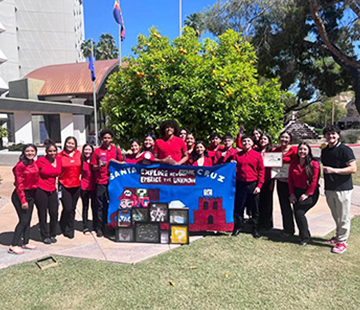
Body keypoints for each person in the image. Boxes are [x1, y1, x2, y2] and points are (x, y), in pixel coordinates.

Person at [321, 125, 356, 254]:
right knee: (336, 215)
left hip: (343, 188)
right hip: (329, 188)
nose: (331, 136)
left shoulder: (345, 150)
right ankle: (338, 236)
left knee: (343, 216)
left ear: (338, 135)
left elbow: (353, 168)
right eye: (328, 134)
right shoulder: (325, 151)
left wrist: (334, 170)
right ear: (325, 136)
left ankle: (342, 242)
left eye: (333, 134)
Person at [90, 129, 122, 237]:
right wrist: (99, 166)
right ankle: (99, 227)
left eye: (108, 138)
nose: (106, 140)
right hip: (101, 182)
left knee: (113, 204)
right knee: (100, 205)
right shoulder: (97, 151)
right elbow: (93, 167)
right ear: (101, 139)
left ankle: (112, 227)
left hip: (114, 182)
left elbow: (122, 164)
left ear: (112, 139)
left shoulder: (116, 150)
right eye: (104, 138)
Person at [8, 144, 39, 255]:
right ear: (24, 152)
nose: (30, 153)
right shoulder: (20, 166)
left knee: (28, 219)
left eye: (32, 151)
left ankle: (25, 242)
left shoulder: (33, 163)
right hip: (21, 195)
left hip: (31, 195)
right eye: (28, 151)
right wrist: (23, 200)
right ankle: (14, 244)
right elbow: (19, 185)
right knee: (23, 220)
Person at [232, 136, 265, 238]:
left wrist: (259, 185)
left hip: (253, 184)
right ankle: (238, 226)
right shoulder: (237, 155)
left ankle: (255, 228)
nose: (246, 143)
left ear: (252, 143)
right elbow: (233, 169)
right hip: (241, 183)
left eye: (248, 141)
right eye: (244, 141)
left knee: (254, 208)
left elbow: (261, 171)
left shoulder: (257, 155)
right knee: (239, 207)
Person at [289, 143, 320, 246]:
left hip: (310, 192)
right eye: (300, 149)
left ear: (309, 151)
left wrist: (307, 194)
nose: (302, 151)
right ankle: (305, 234)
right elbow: (290, 180)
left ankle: (305, 238)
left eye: (304, 149)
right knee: (297, 213)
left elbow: (314, 181)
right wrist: (292, 194)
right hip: (296, 192)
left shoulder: (314, 163)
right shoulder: (293, 163)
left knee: (299, 212)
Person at [35, 142, 62, 244]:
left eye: (54, 151)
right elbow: (33, 172)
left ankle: (52, 233)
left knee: (54, 213)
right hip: (41, 189)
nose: (52, 153)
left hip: (52, 190)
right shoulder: (40, 161)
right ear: (46, 152)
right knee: (42, 213)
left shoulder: (59, 161)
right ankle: (44, 235)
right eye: (50, 151)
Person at [273, 131, 298, 238]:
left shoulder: (295, 150)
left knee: (297, 207)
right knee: (284, 206)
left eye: (286, 138)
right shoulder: (276, 150)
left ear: (290, 140)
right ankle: (288, 229)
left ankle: (302, 230)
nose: (284, 139)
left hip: (292, 182)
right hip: (280, 182)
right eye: (282, 137)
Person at [58, 136, 82, 239]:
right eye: (68, 143)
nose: (70, 145)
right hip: (64, 184)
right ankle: (63, 223)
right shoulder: (60, 156)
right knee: (67, 208)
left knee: (72, 208)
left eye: (72, 143)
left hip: (76, 185)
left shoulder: (78, 154)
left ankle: (69, 229)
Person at [257, 134, 275, 231]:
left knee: (267, 202)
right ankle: (259, 222)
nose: (262, 141)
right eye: (261, 139)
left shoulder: (272, 152)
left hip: (268, 179)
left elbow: (274, 167)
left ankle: (267, 223)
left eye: (265, 139)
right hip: (257, 179)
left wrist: (272, 181)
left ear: (268, 141)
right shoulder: (256, 151)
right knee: (258, 201)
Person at [80, 144, 97, 235]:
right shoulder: (81, 161)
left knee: (94, 207)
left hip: (94, 186)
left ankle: (95, 226)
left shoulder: (95, 160)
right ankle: (85, 226)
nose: (87, 152)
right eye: (86, 150)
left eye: (89, 150)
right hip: (84, 186)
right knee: (85, 207)